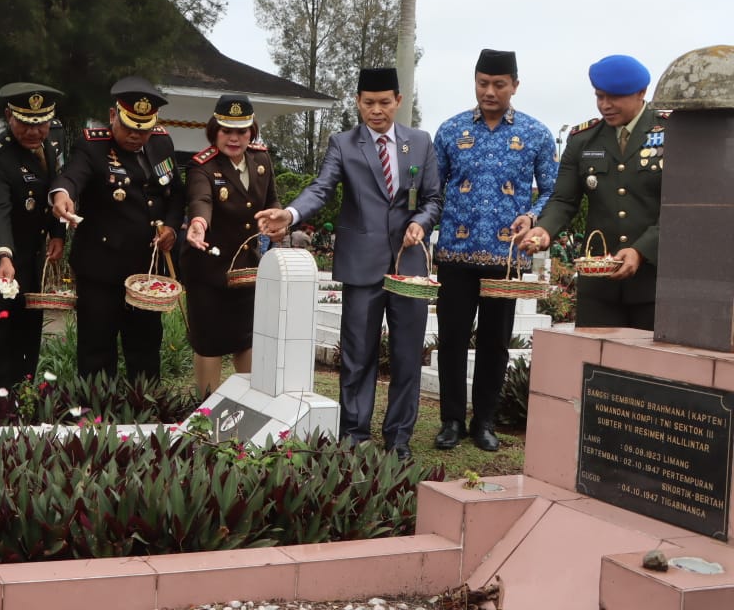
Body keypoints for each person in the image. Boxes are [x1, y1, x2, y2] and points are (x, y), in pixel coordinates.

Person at [256, 67, 441, 460]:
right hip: (361, 266)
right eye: (369, 103)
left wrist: (420, 224)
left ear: (398, 101)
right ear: (357, 102)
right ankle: (354, 433)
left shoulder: (420, 143)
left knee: (408, 354)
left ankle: (399, 437)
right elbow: (321, 188)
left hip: (409, 265)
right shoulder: (343, 143)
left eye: (384, 102)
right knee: (358, 354)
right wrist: (289, 214)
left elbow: (433, 199)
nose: (377, 111)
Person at [431, 49, 558, 452]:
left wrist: (534, 218)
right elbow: (435, 190)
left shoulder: (536, 134)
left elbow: (553, 192)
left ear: (514, 86)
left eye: (498, 84)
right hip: (455, 252)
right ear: (475, 81)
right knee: (451, 338)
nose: (489, 91)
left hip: (506, 259)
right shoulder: (450, 130)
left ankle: (484, 419)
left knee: (495, 342)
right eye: (482, 83)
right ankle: (451, 419)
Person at [51, 77, 184, 382]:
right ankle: (96, 418)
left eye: (144, 128)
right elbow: (71, 176)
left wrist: (173, 229)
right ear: (113, 116)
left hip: (146, 273)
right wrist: (62, 195)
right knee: (97, 350)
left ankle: (146, 414)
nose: (137, 135)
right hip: (101, 269)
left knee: (146, 348)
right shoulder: (92, 145)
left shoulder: (162, 142)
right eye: (129, 127)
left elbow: (175, 193)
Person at [523, 55, 665, 330]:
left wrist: (640, 250)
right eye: (599, 96)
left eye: (614, 97)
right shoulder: (583, 139)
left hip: (655, 282)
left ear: (641, 93)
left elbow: (680, 208)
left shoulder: (672, 133)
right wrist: (543, 230)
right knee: (597, 368)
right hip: (599, 286)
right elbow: (563, 200)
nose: (604, 105)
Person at [0, 83, 67, 394]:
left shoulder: (50, 146)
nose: (34, 132)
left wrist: (57, 232)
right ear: (9, 116)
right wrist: (4, 256)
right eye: (25, 123)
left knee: (27, 335)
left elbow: (52, 192)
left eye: (41, 124)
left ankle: (20, 402)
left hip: (31, 259)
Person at [181, 95, 281, 395]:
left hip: (245, 269)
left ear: (252, 131)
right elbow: (201, 200)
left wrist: (277, 218)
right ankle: (205, 411)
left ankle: (245, 405)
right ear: (215, 130)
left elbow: (271, 199)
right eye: (227, 131)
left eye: (242, 131)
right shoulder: (202, 166)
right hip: (207, 268)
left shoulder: (262, 159)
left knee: (245, 339)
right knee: (209, 342)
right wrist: (198, 224)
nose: (234, 138)